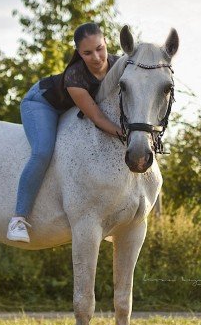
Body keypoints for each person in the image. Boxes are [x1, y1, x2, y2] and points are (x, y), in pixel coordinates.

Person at [7, 22, 124, 243]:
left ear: (106, 42)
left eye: (100, 48)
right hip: (42, 103)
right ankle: (18, 219)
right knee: (42, 152)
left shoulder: (119, 65)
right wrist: (123, 134)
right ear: (79, 53)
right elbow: (98, 118)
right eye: (87, 53)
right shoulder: (75, 77)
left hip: (69, 110)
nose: (97, 57)